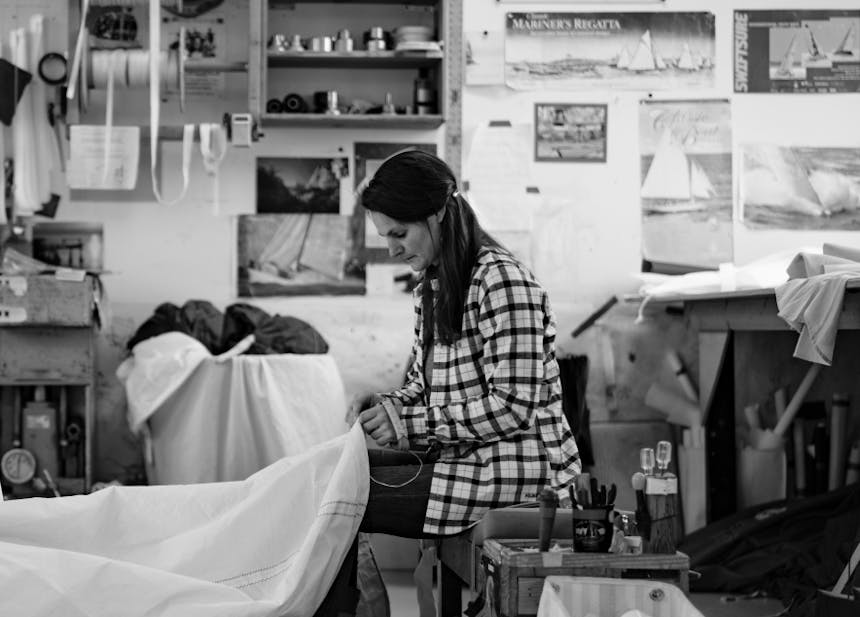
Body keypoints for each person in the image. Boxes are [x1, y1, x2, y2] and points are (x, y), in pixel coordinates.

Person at [351, 149, 581, 541]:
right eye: (385, 236)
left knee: (339, 500)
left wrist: (406, 422)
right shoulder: (433, 286)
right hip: (465, 461)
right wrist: (388, 405)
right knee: (334, 475)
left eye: (399, 234)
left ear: (437, 212)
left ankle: (344, 605)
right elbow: (425, 388)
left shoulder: (502, 282)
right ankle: (353, 605)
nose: (392, 250)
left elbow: (512, 408)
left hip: (518, 473)